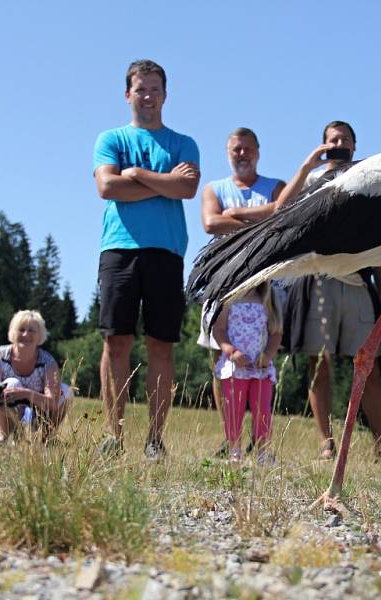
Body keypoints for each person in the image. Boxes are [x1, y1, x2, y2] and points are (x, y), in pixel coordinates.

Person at [93, 59, 200, 460]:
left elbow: (187, 187)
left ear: (165, 95)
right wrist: (163, 184)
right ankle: (113, 435)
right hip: (119, 249)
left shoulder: (183, 143)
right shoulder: (110, 139)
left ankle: (155, 440)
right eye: (141, 89)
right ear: (128, 94)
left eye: (155, 89)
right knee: (116, 341)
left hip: (167, 252)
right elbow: (107, 186)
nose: (148, 96)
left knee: (161, 345)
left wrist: (135, 174)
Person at [276, 120, 381, 459]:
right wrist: (307, 166)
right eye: (332, 140)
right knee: (318, 364)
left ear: (355, 145)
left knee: (370, 368)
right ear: (322, 145)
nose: (338, 145)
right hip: (319, 280)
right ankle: (326, 441)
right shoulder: (310, 180)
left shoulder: (370, 177)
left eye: (344, 140)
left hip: (357, 281)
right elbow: (281, 209)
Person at [197, 127, 285, 455]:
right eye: (236, 149)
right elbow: (210, 223)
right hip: (222, 278)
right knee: (220, 356)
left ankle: (261, 441)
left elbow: (282, 212)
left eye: (247, 149)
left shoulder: (273, 186)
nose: (242, 154)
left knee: (263, 357)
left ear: (258, 152)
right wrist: (258, 224)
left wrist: (233, 214)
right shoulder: (213, 188)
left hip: (264, 282)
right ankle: (229, 437)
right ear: (228, 152)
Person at [212, 281, 282, 464]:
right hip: (235, 368)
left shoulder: (267, 300)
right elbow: (219, 330)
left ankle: (263, 452)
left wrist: (267, 355)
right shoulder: (229, 299)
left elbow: (276, 333)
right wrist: (231, 351)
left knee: (263, 411)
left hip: (261, 369)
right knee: (234, 410)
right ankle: (234, 451)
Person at [0, 310, 73, 445]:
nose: (26, 334)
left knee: (66, 391)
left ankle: (46, 437)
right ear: (13, 332)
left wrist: (26, 394)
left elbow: (52, 402)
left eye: (31, 330)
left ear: (40, 335)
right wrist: (2, 408)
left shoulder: (48, 362)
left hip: (33, 412)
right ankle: (4, 435)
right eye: (21, 329)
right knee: (11, 383)